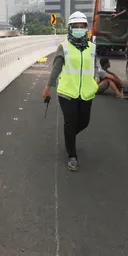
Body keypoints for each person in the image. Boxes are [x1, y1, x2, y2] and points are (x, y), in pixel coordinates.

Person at [43, 11, 100, 171]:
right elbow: (56, 69)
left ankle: (69, 138)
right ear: (70, 28)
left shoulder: (92, 47)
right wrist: (48, 87)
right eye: (76, 26)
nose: (79, 29)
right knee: (70, 121)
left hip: (87, 92)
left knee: (84, 122)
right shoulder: (64, 47)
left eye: (82, 26)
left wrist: (96, 78)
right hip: (67, 92)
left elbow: (95, 65)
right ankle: (72, 155)